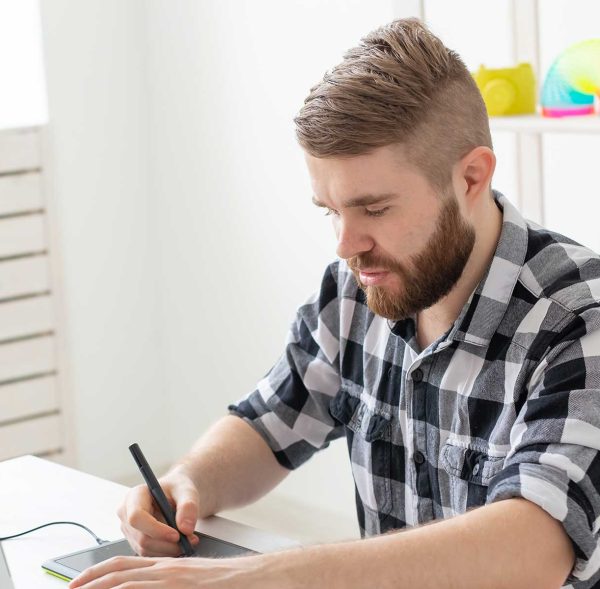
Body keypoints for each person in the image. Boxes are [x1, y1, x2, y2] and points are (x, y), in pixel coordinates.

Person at [69, 17, 600, 589]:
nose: (346, 245)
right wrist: (190, 481)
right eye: (330, 210)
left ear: (470, 177)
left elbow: (532, 547)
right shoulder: (354, 291)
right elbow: (268, 423)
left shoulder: (578, 320)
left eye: (374, 209)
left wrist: (268, 577)